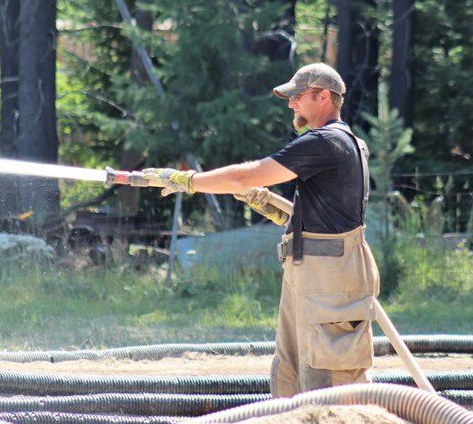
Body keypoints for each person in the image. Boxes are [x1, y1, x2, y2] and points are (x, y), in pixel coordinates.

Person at [141, 63, 380, 398]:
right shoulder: (344, 143)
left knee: (329, 384)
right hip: (316, 272)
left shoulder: (325, 141)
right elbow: (332, 218)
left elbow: (245, 176)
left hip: (328, 278)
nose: (291, 104)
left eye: (298, 96)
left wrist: (188, 181)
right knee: (291, 373)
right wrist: (277, 208)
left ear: (324, 97)